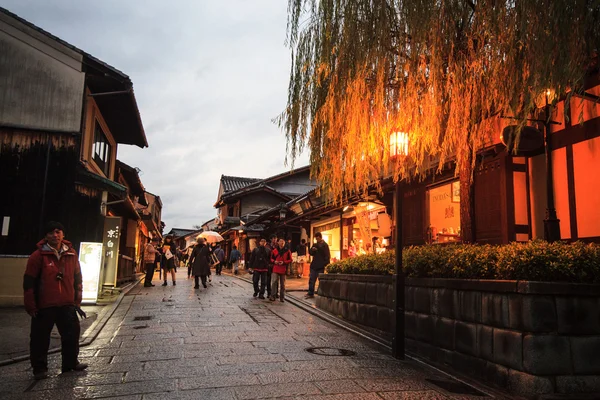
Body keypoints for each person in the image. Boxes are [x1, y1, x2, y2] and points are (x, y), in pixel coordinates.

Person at [23, 221, 88, 380]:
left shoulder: (71, 254)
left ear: (63, 235)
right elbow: (29, 281)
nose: (55, 235)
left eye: (58, 232)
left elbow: (77, 277)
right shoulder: (38, 256)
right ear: (46, 236)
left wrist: (77, 299)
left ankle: (70, 363)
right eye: (51, 232)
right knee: (40, 337)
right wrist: (30, 304)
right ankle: (39, 369)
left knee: (71, 334)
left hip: (67, 302)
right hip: (44, 303)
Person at [305, 232, 330, 299]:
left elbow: (327, 256)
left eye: (317, 238)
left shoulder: (325, 245)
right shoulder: (315, 244)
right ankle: (310, 293)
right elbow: (311, 253)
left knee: (320, 280)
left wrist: (326, 265)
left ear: (320, 237)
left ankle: (320, 293)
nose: (316, 239)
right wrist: (312, 250)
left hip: (321, 265)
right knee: (312, 279)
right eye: (316, 238)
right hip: (314, 265)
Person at [269, 238, 292, 302]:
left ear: (284, 243)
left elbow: (290, 259)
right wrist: (274, 261)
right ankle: (273, 296)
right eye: (280, 241)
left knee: (283, 284)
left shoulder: (287, 251)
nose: (281, 243)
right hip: (275, 268)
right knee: (274, 282)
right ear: (278, 242)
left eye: (283, 242)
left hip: (283, 269)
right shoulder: (275, 251)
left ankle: (282, 297)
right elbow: (271, 259)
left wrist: (284, 262)